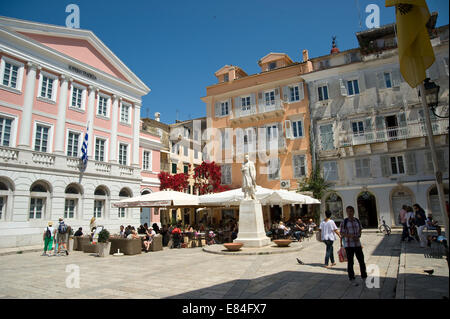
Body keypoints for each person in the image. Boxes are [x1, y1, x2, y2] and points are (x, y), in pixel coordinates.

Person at [340, 206, 367, 286]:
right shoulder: (344, 222)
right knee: (350, 262)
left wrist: (358, 236)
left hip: (357, 244)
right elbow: (342, 233)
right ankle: (351, 277)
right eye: (348, 211)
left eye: (351, 211)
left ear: (354, 211)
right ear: (346, 212)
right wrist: (351, 236)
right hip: (349, 245)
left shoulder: (357, 221)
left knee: (361, 260)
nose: (350, 213)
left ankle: (364, 276)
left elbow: (360, 230)